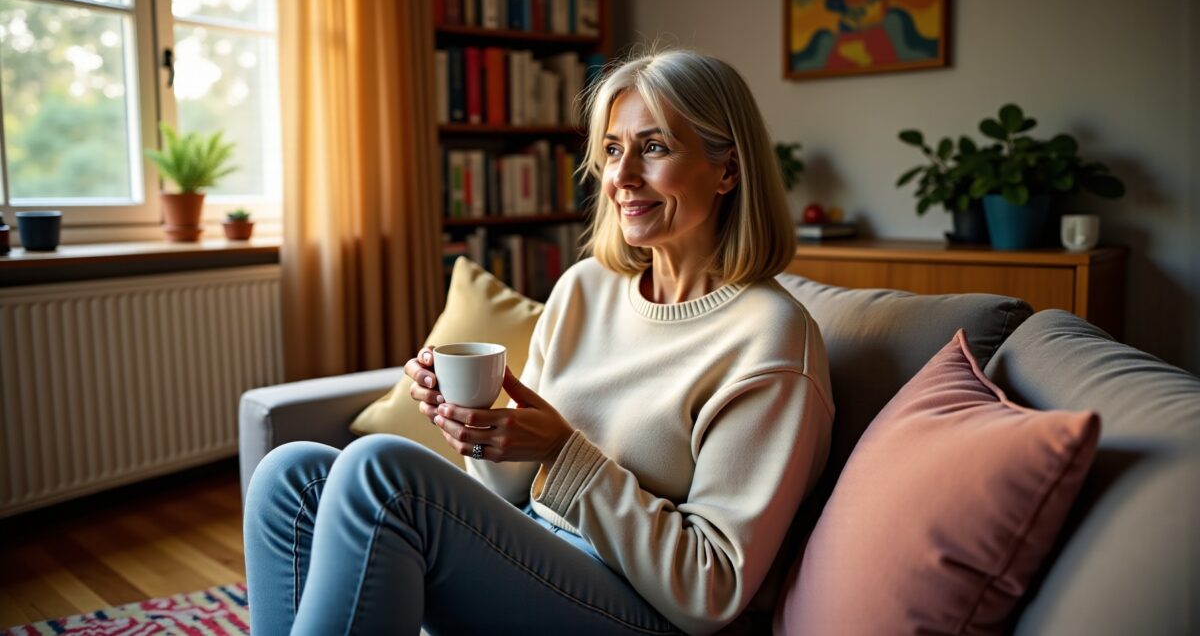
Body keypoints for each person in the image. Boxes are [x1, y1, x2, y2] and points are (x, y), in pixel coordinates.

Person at [243, 48, 834, 636]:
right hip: (537, 553)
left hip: (649, 612)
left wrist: (563, 451)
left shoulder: (771, 336)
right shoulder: (585, 290)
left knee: (382, 470)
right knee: (290, 477)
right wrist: (482, 431)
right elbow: (512, 496)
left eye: (653, 148)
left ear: (728, 170)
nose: (621, 177)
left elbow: (713, 586)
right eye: (611, 149)